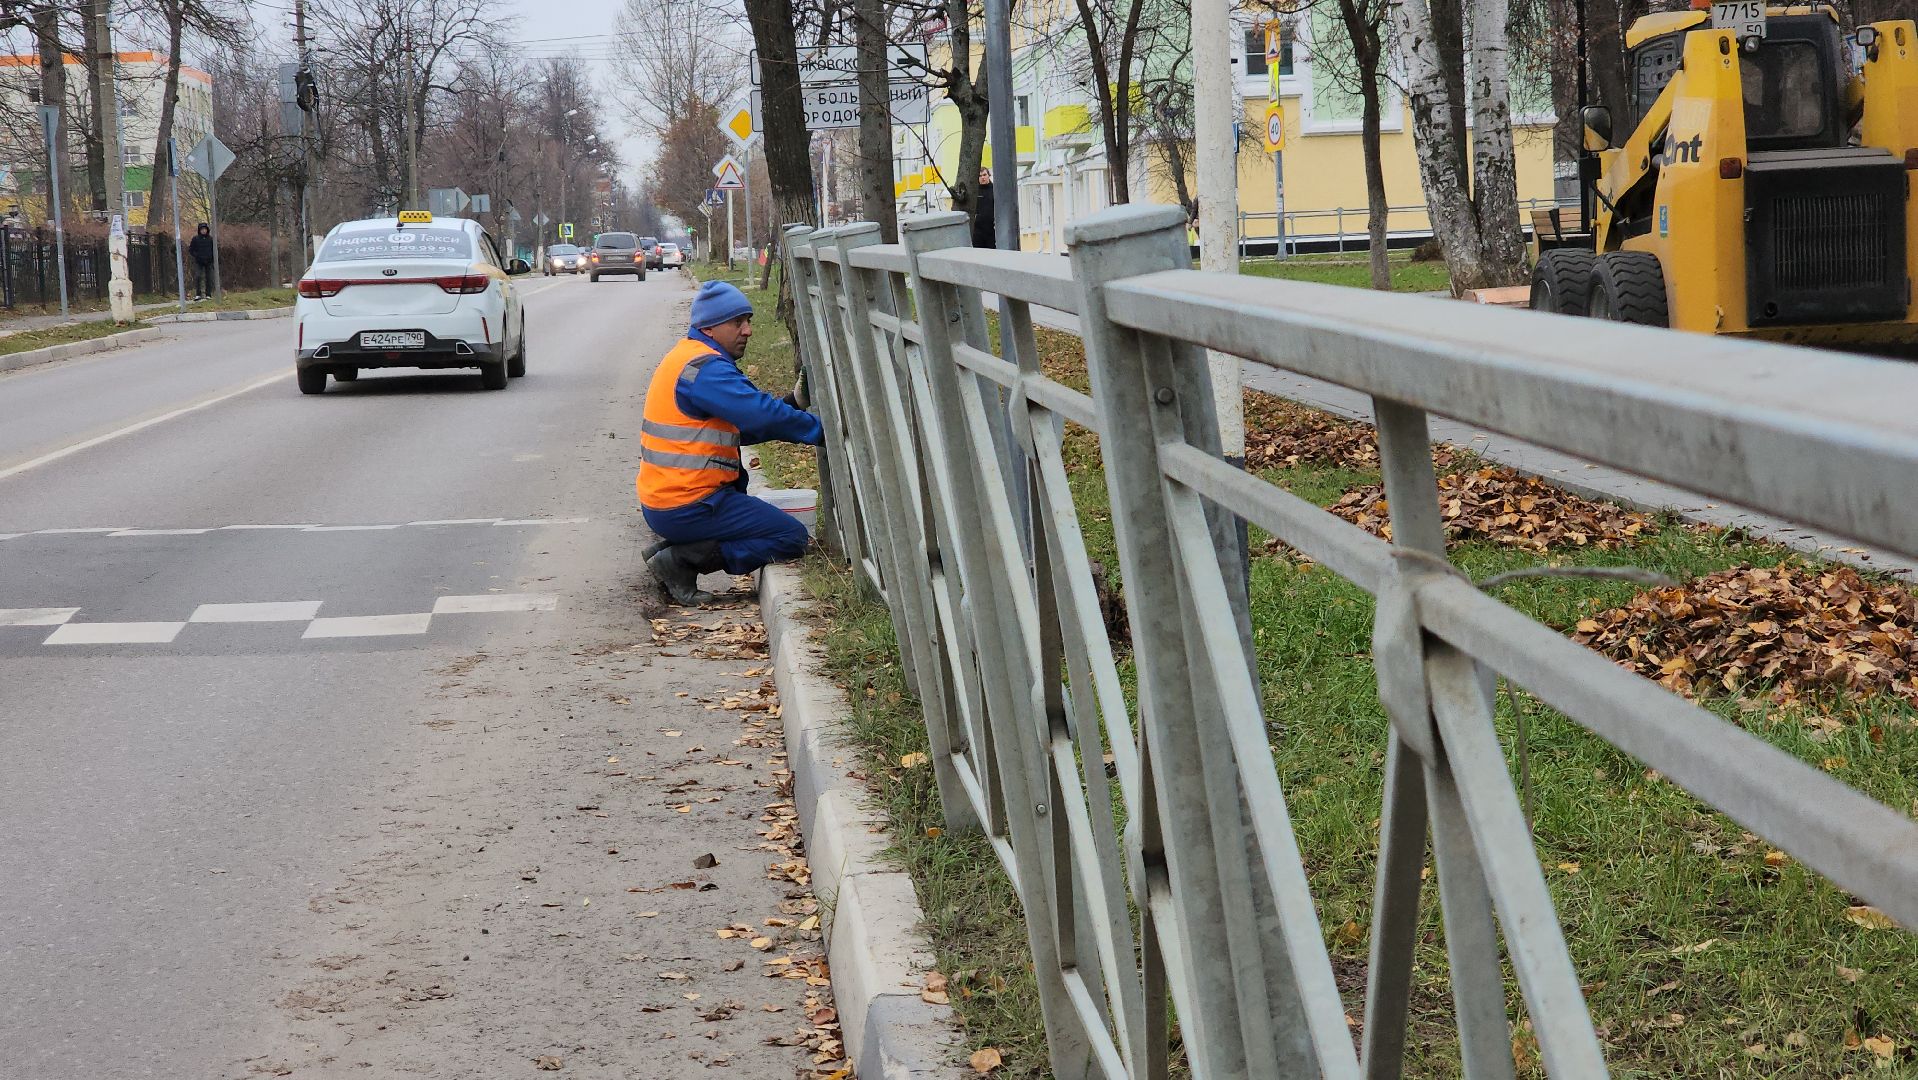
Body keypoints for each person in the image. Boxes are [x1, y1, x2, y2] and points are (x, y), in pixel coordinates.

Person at [637, 280, 823, 605]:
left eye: (748, 320)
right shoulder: (704, 370)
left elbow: (741, 428)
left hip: (670, 502)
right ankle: (681, 559)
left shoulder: (689, 358)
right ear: (709, 328)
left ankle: (679, 550)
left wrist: (793, 403)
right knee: (789, 537)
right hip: (691, 505)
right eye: (738, 322)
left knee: (773, 528)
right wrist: (824, 431)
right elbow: (761, 416)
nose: (748, 330)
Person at [188, 222, 214, 301]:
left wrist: (211, 257)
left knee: (209, 278)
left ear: (207, 230)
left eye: (205, 229)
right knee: (198, 276)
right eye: (202, 229)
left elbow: (214, 249)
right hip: (199, 261)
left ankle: (208, 294)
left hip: (209, 261)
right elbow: (191, 250)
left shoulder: (210, 239)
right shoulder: (195, 239)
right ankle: (198, 294)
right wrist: (197, 256)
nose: (203, 231)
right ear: (199, 230)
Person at [971, 168, 996, 249]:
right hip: (977, 231)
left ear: (989, 175)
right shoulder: (974, 191)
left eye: (984, 175)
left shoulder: (995, 190)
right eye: (980, 176)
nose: (982, 177)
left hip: (992, 230)